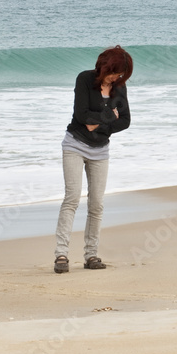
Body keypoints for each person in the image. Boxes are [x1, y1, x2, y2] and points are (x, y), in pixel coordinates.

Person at [54, 45, 133, 273]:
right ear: (104, 67)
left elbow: (125, 120)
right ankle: (61, 255)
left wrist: (99, 122)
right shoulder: (85, 79)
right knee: (72, 199)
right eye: (114, 72)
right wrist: (109, 116)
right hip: (75, 145)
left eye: (120, 74)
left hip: (100, 150)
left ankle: (91, 256)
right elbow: (82, 115)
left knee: (97, 204)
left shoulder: (119, 87)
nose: (116, 77)